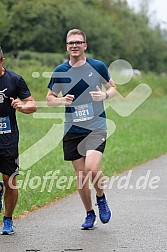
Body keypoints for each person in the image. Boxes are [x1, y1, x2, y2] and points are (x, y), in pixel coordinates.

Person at [46, 29, 116, 230]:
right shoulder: (60, 70)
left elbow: (112, 87)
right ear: (67, 46)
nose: (74, 45)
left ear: (85, 45)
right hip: (72, 129)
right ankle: (89, 214)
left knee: (92, 169)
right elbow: (49, 99)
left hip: (96, 127)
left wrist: (105, 96)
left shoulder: (97, 66)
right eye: (70, 43)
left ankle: (101, 198)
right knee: (81, 177)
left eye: (78, 42)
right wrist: (61, 100)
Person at [0, 46, 37, 235]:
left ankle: (7, 219)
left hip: (7, 137)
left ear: (2, 61)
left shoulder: (14, 80)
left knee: (10, 180)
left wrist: (22, 106)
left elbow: (33, 105)